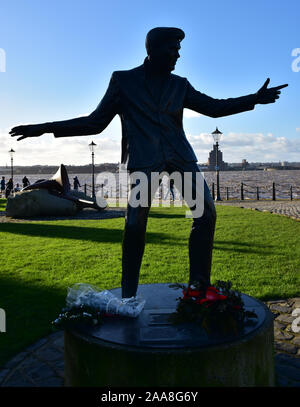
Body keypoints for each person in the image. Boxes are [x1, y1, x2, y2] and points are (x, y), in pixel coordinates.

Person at [9, 27, 288, 298]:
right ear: (153, 50)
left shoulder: (180, 85)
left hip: (181, 157)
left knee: (206, 215)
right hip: (143, 161)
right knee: (134, 226)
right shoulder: (123, 81)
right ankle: (128, 295)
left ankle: (199, 289)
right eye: (173, 49)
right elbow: (95, 122)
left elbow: (214, 108)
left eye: (179, 49)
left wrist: (254, 99)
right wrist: (45, 127)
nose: (178, 55)